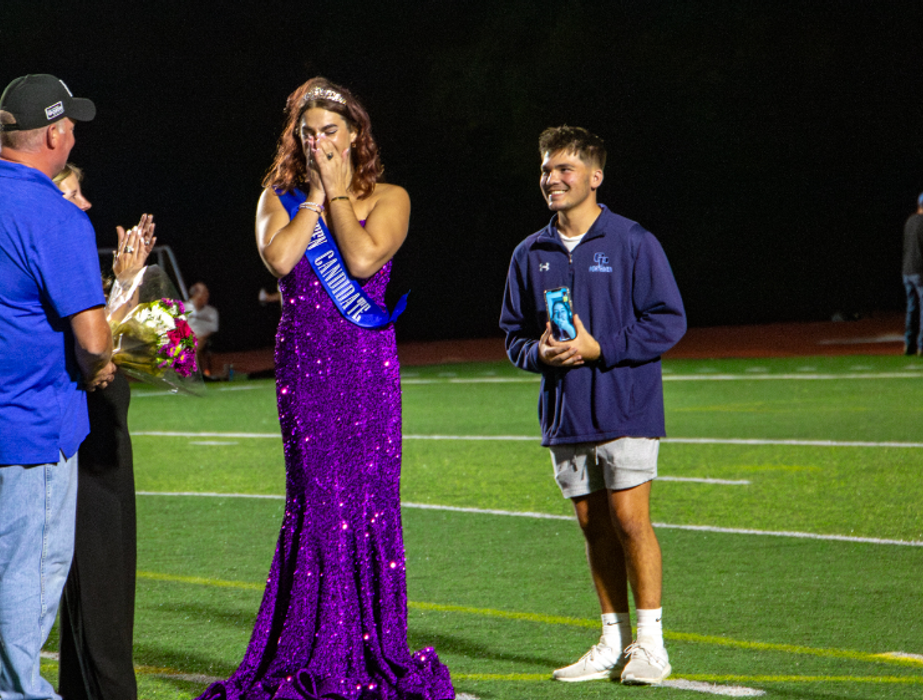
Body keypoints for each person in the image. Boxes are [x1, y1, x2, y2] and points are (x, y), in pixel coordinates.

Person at [196, 77, 453, 700]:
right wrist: (314, 195)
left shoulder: (391, 196)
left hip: (366, 365)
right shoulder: (276, 198)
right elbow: (280, 260)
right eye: (307, 133)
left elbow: (363, 261)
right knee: (316, 500)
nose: (318, 141)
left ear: (355, 134)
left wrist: (339, 194)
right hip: (307, 364)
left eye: (330, 131)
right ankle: (307, 647)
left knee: (367, 500)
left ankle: (371, 648)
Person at [0, 73, 114, 700]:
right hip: (28, 425)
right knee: (27, 574)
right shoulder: (52, 214)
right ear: (56, 134)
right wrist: (103, 367)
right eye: (71, 127)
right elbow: (92, 341)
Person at [499, 126, 686, 686]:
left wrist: (600, 347)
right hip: (566, 412)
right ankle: (612, 641)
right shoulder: (529, 252)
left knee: (630, 521)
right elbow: (512, 334)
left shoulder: (632, 240)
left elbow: (668, 320)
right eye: (545, 171)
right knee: (593, 528)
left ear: (594, 177)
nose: (552, 180)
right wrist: (541, 352)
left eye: (564, 170)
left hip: (626, 405)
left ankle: (650, 646)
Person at [52, 162, 155, 700]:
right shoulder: (52, 257)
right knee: (100, 598)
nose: (86, 202)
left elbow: (106, 335)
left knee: (104, 593)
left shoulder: (68, 258)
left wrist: (127, 280)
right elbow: (93, 351)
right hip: (86, 444)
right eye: (73, 192)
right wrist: (101, 361)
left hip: (108, 439)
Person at [903, 193, 923, 356]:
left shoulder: (910, 221)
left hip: (907, 270)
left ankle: (909, 345)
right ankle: (922, 345)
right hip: (919, 271)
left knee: (912, 308)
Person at [185, 282, 219, 377]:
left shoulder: (211, 312)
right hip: (185, 336)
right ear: (196, 295)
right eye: (204, 293)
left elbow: (213, 329)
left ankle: (193, 373)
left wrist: (201, 337)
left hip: (203, 338)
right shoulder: (183, 308)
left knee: (195, 343)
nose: (207, 296)